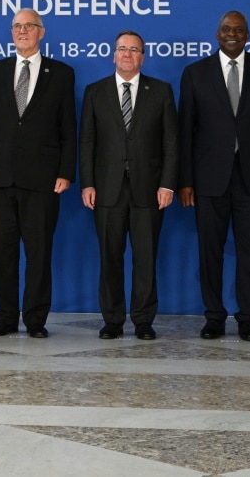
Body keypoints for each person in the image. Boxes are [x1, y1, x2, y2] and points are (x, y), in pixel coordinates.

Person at [178, 11, 250, 342]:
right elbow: (185, 132)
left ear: (248, 35)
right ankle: (213, 316)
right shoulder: (195, 73)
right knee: (209, 251)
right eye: (226, 29)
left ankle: (247, 318)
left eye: (239, 30)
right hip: (209, 179)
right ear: (217, 34)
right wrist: (185, 180)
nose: (232, 34)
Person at [0, 9, 76, 338]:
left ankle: (35, 320)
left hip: (42, 179)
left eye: (29, 26)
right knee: (2, 253)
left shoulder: (61, 73)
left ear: (41, 33)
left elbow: (68, 127)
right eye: (17, 26)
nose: (22, 31)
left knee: (39, 252)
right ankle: (5, 318)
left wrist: (66, 171)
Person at [80, 31, 178, 340]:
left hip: (149, 189)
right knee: (110, 256)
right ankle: (112, 319)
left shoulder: (160, 91)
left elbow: (171, 143)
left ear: (142, 57)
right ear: (113, 55)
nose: (127, 54)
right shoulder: (95, 92)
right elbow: (87, 142)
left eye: (133, 50)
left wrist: (167, 185)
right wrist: (88, 184)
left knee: (145, 257)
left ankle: (143, 320)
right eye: (122, 49)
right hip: (107, 189)